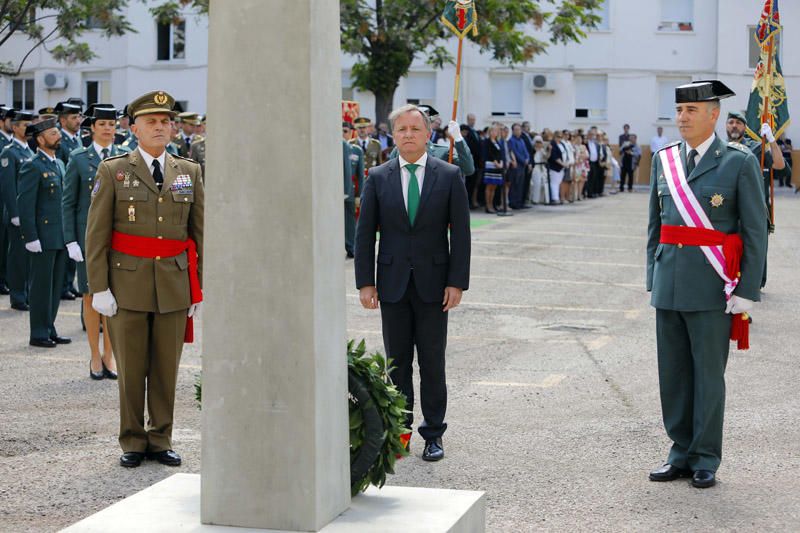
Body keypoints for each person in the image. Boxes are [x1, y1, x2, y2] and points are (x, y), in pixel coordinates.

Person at [646, 80, 767, 489]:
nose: (682, 117)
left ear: (713, 115)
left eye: (691, 111)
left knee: (707, 376)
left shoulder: (738, 161)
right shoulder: (665, 160)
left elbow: (755, 230)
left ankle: (705, 456)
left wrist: (747, 288)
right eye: (679, 110)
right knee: (673, 374)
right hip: (670, 285)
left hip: (714, 287)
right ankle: (678, 452)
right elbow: (655, 227)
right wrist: (653, 277)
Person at [85, 90, 204, 468]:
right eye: (151, 121)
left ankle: (161, 438)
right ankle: (133, 440)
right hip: (128, 285)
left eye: (165, 121)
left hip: (173, 283)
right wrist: (99, 288)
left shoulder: (188, 171)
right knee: (132, 367)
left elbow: (201, 232)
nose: (160, 127)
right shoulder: (114, 169)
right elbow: (97, 234)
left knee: (166, 367)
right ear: (133, 128)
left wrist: (202, 286)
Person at [354, 103, 470, 462]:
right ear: (393, 134)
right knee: (397, 363)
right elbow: (364, 235)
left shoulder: (448, 175)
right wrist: (366, 283)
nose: (408, 135)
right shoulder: (378, 176)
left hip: (435, 286)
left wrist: (457, 282)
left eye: (415, 129)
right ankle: (399, 433)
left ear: (428, 134)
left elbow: (461, 235)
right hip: (392, 285)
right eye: (401, 129)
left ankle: (433, 434)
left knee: (432, 363)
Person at [63, 105, 125, 379]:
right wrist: (70, 241)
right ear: (92, 128)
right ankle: (93, 357)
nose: (108, 129)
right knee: (90, 297)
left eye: (112, 125)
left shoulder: (125, 157)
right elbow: (68, 203)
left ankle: (109, 356)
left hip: (119, 240)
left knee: (113, 298)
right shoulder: (78, 159)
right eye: (102, 124)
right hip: (88, 239)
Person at [17, 119, 71, 348]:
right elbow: (25, 204)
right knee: (41, 287)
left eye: (57, 132)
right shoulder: (33, 165)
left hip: (59, 235)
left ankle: (50, 327)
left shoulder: (58, 163)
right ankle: (38, 333)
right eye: (52, 133)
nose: (57, 136)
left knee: (56, 286)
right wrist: (30, 237)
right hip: (42, 237)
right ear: (40, 139)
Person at [0, 110, 34, 311]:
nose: (28, 129)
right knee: (17, 257)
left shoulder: (29, 151)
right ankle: (17, 295)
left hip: (28, 214)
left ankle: (26, 292)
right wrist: (14, 213)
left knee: (28, 257)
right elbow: (8, 187)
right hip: (17, 214)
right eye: (24, 125)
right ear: (14, 127)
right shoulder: (9, 152)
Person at [388, 105, 475, 177]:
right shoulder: (397, 151)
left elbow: (468, 169)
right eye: (403, 128)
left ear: (428, 131)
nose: (409, 134)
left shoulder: (442, 152)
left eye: (415, 128)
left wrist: (458, 138)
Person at [342, 122, 363, 258]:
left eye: (345, 131)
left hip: (350, 192)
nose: (342, 134)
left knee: (350, 222)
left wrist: (359, 195)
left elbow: (360, 176)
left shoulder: (356, 150)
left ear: (350, 132)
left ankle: (351, 247)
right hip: (334, 193)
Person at [482, 124, 504, 213]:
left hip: (497, 166)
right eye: (493, 130)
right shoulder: (487, 142)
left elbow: (500, 153)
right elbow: (489, 153)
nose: (495, 132)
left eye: (496, 131)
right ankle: (488, 206)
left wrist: (501, 162)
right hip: (491, 165)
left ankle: (492, 204)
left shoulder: (497, 141)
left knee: (494, 187)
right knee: (489, 186)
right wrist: (496, 162)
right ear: (490, 132)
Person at [508, 123, 530, 209]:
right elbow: (515, 152)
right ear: (513, 131)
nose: (518, 131)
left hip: (523, 166)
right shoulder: (511, 140)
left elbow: (526, 151)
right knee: (515, 184)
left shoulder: (521, 140)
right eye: (516, 130)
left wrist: (527, 158)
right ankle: (513, 203)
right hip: (516, 166)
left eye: (519, 129)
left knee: (521, 184)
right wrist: (523, 160)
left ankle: (519, 202)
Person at [547, 130, 566, 204]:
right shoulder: (552, 144)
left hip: (561, 167)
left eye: (561, 137)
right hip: (554, 166)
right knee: (554, 183)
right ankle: (555, 198)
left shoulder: (561, 144)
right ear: (554, 136)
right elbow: (554, 157)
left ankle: (557, 197)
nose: (560, 138)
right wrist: (562, 164)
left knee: (558, 182)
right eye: (558, 137)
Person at [530, 135, 549, 205]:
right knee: (536, 184)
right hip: (535, 168)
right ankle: (535, 199)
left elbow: (546, 157)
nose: (538, 144)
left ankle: (543, 199)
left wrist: (549, 150)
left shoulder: (542, 150)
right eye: (537, 142)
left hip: (542, 168)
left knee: (544, 184)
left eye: (540, 142)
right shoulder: (532, 150)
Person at [572, 133, 589, 202]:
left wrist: (583, 157)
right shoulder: (573, 146)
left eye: (580, 139)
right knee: (576, 180)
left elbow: (587, 155)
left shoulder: (584, 146)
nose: (579, 140)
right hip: (576, 165)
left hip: (583, 166)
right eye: (577, 139)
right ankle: (575, 195)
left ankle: (579, 194)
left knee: (582, 181)